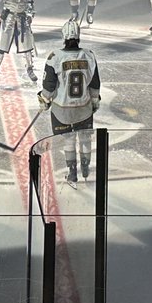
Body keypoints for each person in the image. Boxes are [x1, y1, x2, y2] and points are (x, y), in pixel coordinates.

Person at [38, 18, 101, 188]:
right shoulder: (89, 55)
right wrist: (94, 101)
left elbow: (49, 86)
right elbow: (94, 84)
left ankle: (72, 174)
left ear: (63, 35)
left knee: (69, 140)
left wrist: (44, 100)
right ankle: (86, 168)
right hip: (84, 109)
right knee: (85, 138)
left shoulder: (55, 57)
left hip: (62, 110)